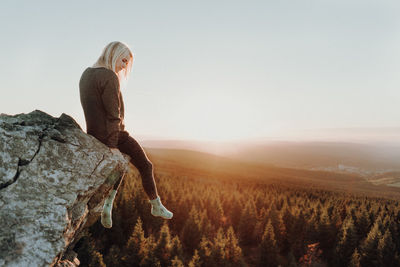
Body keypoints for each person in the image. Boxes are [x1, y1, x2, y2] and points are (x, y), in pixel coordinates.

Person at [79, 41, 173, 228]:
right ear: (113, 54)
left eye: (126, 63)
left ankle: (107, 206)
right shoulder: (109, 77)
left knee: (120, 168)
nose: (123, 66)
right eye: (123, 60)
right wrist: (113, 145)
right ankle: (156, 205)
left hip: (93, 134)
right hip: (114, 135)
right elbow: (114, 116)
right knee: (146, 165)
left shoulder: (86, 74)